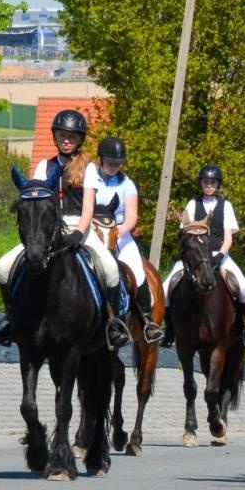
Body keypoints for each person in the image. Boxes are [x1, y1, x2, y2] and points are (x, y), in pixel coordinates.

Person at [0, 108, 131, 348]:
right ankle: (11, 320)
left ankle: (113, 323)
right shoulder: (44, 167)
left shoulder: (89, 168)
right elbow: (34, 205)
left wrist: (79, 233)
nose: (67, 140)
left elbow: (89, 206)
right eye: (63, 135)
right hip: (47, 230)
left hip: (80, 227)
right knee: (3, 267)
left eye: (72, 136)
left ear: (80, 139)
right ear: (54, 137)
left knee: (110, 269)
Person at [78, 135, 162, 343]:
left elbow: (132, 216)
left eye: (118, 163)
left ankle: (147, 320)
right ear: (101, 159)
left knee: (138, 272)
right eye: (110, 162)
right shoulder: (90, 178)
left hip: (119, 234)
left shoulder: (128, 185)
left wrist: (119, 233)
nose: (114, 167)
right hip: (92, 233)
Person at [166, 164, 245, 346]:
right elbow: (187, 233)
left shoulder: (226, 206)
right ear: (200, 184)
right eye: (206, 182)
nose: (209, 185)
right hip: (194, 256)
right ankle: (169, 329)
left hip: (219, 253)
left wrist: (220, 256)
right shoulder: (193, 204)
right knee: (166, 287)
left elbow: (228, 238)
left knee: (243, 287)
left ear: (218, 185)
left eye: (213, 182)